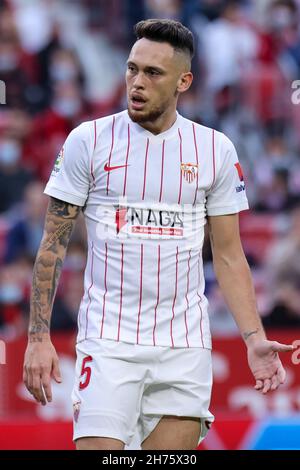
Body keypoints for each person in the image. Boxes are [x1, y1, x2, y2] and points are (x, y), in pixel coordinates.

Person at [23, 19, 294, 451]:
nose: (137, 82)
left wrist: (254, 338)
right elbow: (52, 245)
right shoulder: (88, 141)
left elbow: (228, 255)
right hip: (107, 342)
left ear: (184, 81)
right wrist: (37, 339)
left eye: (153, 73)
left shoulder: (214, 150)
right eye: (132, 69)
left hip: (182, 346)